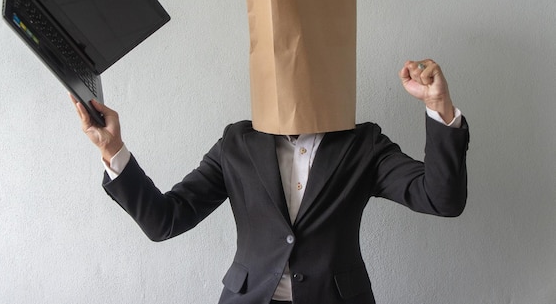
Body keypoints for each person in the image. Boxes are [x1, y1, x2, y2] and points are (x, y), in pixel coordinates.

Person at [70, 59, 469, 304]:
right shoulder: (237, 144)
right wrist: (113, 148)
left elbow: (441, 199)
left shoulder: (362, 144)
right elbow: (165, 220)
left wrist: (439, 110)